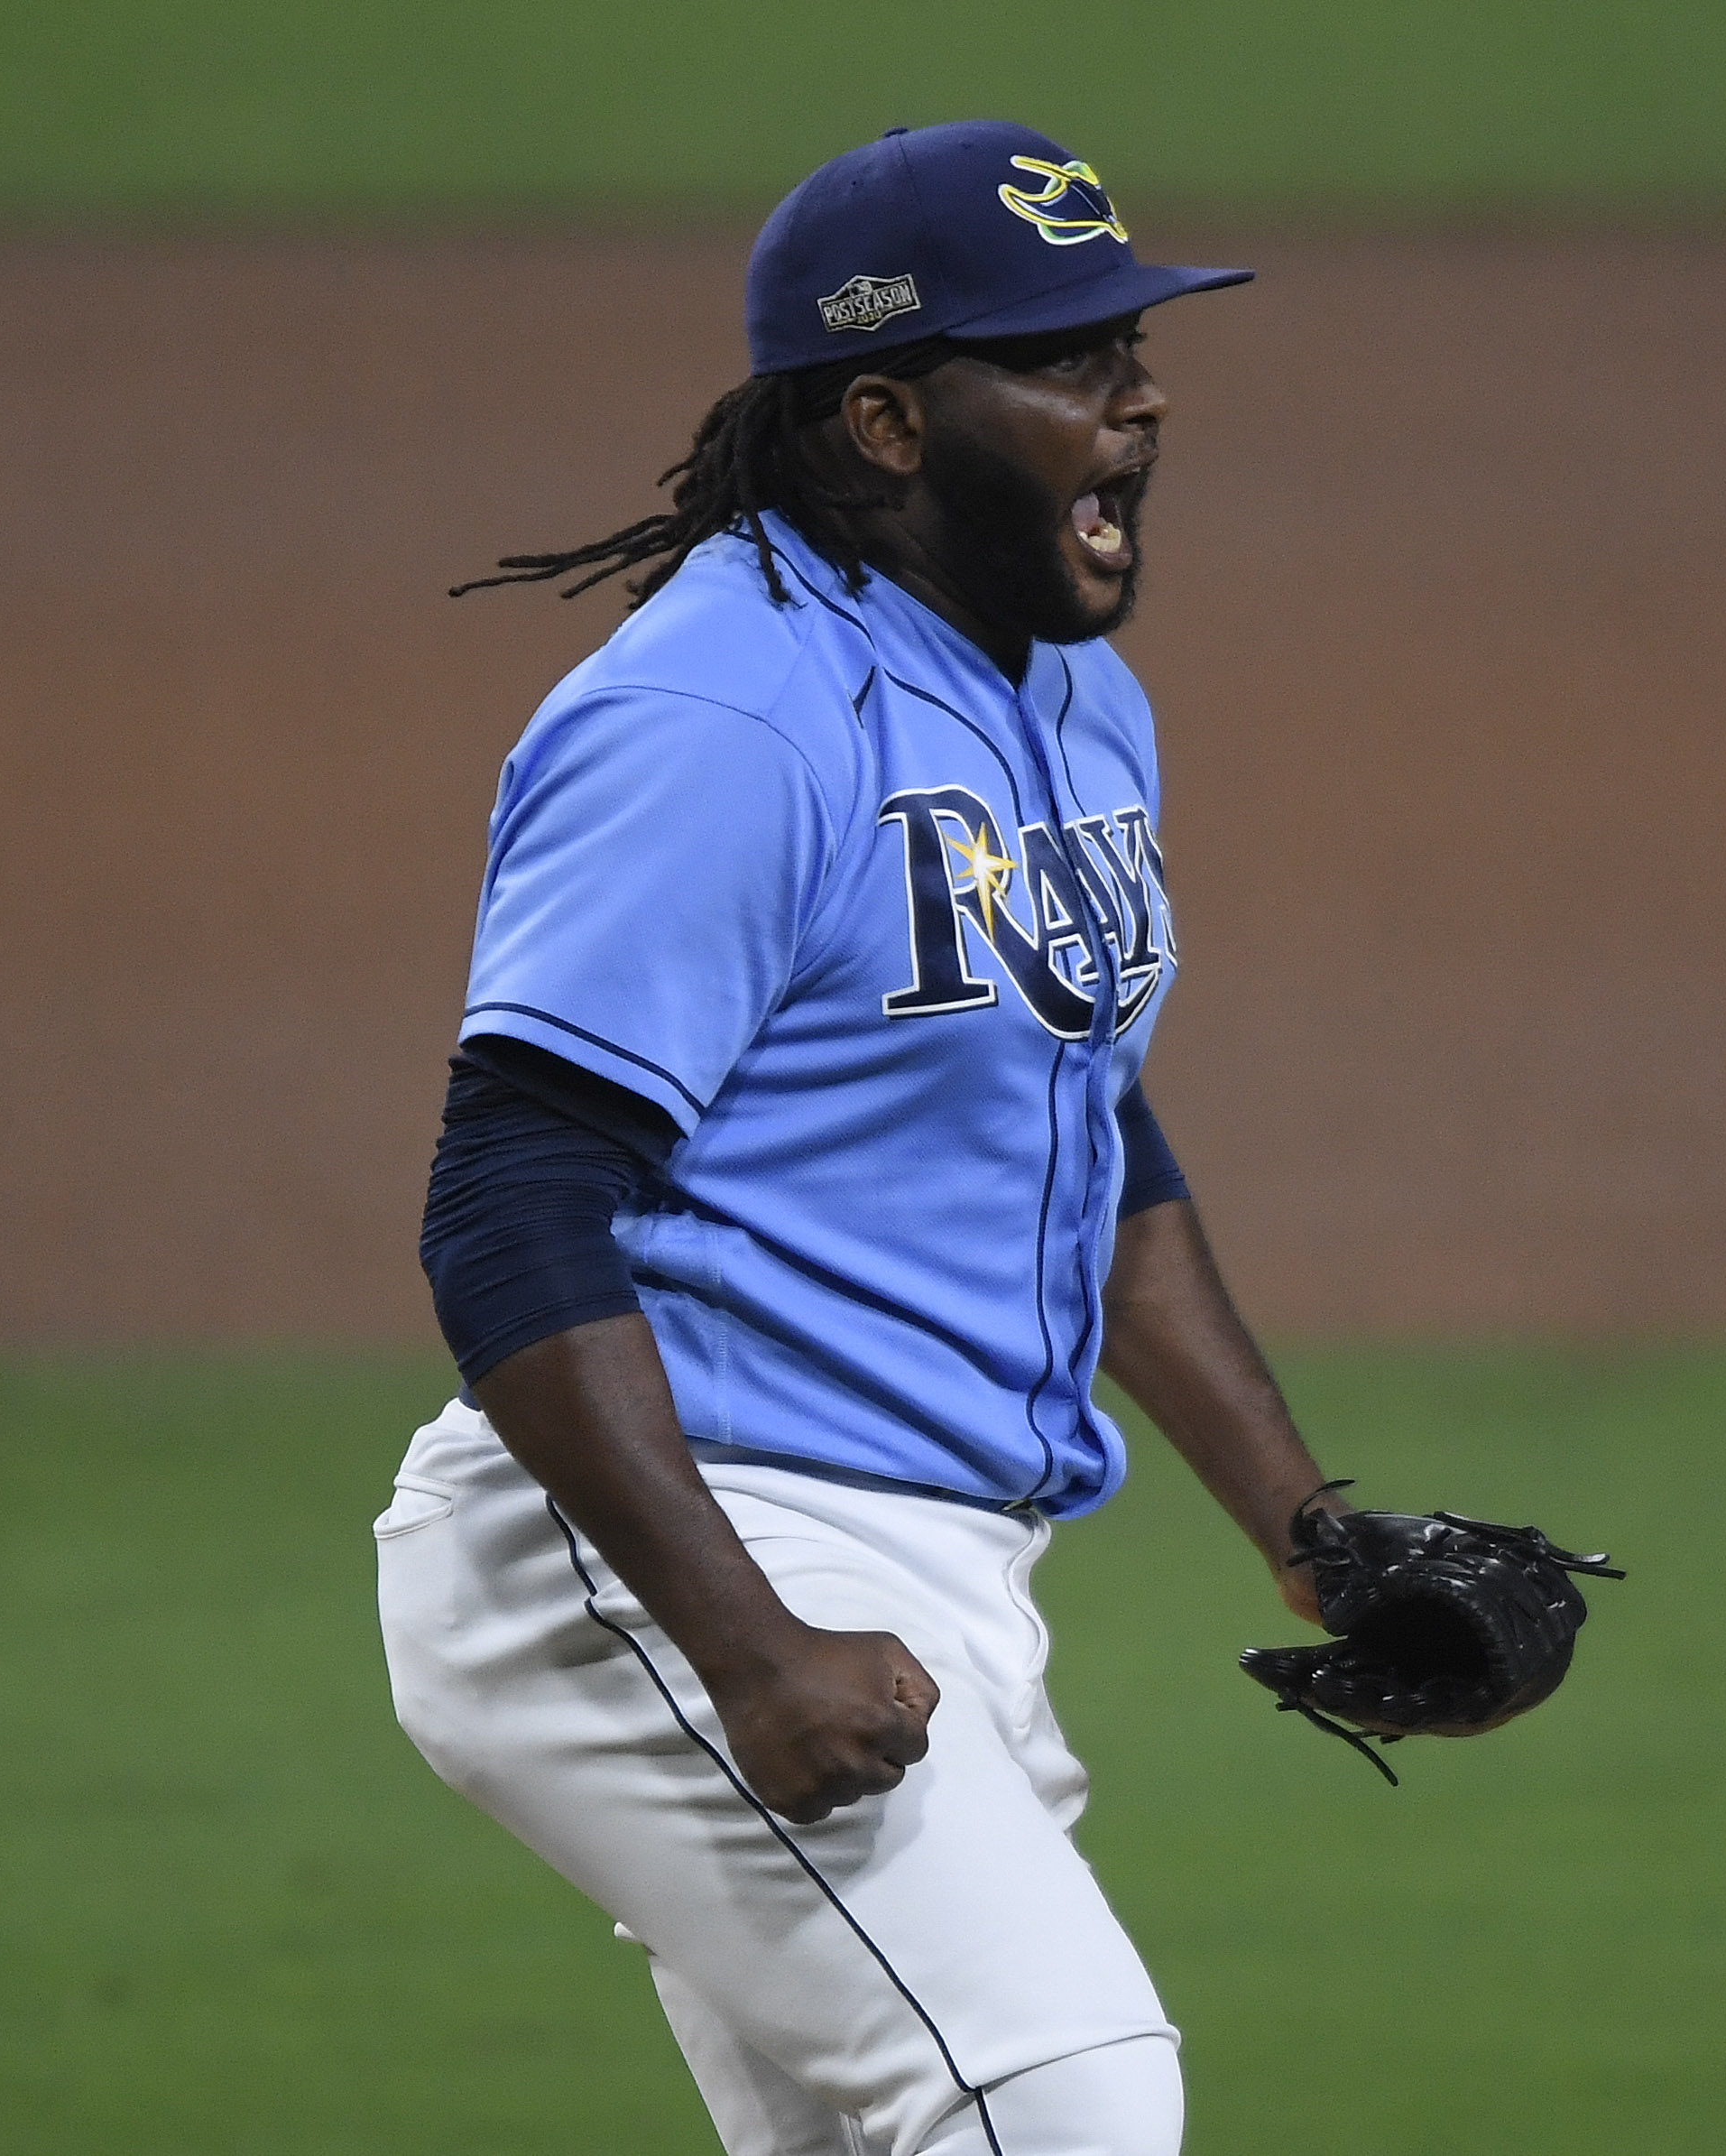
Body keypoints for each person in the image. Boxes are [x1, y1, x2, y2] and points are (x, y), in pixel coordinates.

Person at [377, 121, 1340, 2156]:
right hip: (668, 1531)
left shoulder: (1068, 694)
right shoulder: (722, 713)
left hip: (935, 1559)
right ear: (890, 417)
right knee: (1063, 2096)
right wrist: (744, 1636)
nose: (1140, 391)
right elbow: (512, 1195)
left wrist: (1309, 1529)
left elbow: (1075, 1121)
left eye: (1130, 343)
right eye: (1070, 357)